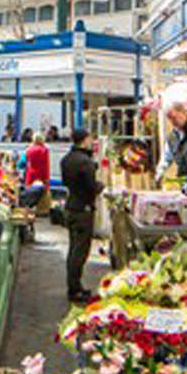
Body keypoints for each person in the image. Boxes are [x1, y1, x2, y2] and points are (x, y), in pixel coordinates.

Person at [60, 128, 103, 302]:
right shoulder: (85, 162)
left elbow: (65, 182)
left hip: (71, 207)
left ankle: (75, 286)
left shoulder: (66, 160)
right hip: (83, 210)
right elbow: (91, 186)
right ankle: (74, 290)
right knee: (80, 251)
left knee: (73, 249)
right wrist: (100, 186)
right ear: (85, 140)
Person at [19, 130, 51, 207]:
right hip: (41, 175)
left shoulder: (29, 149)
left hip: (30, 174)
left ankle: (28, 212)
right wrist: (46, 180)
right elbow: (46, 165)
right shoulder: (44, 150)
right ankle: (39, 209)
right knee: (41, 195)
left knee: (29, 195)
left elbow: (21, 163)